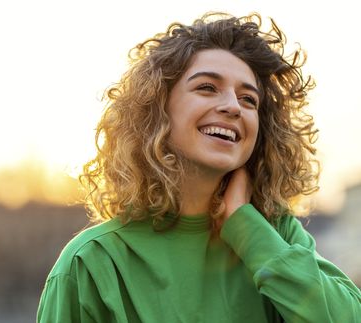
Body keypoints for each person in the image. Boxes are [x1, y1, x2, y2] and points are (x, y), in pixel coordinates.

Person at [37, 12, 361, 322]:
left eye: (249, 99)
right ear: (157, 110)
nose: (233, 106)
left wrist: (247, 230)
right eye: (207, 87)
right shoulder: (92, 263)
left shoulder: (278, 235)